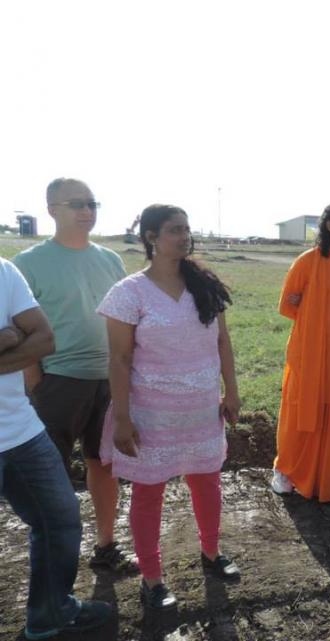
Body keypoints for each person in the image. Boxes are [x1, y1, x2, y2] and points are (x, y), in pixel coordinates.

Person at [98, 204, 241, 609]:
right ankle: (153, 579)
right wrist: (123, 419)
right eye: (175, 230)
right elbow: (120, 360)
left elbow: (223, 342)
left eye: (187, 229)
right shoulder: (128, 293)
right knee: (148, 493)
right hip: (151, 415)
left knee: (207, 483)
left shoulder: (205, 286)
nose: (184, 236)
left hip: (200, 411)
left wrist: (230, 391)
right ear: (151, 237)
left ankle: (211, 554)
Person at [13, 177, 136, 573]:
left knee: (104, 465)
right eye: (76, 204)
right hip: (59, 382)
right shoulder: (28, 263)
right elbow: (20, 328)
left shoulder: (110, 259)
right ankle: (56, 564)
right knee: (52, 474)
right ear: (52, 209)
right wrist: (35, 380)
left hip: (108, 380)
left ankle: (105, 546)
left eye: (92, 203)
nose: (87, 211)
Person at [1, 257, 112, 640]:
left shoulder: (3, 271)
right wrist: (11, 337)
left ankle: (50, 613)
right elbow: (25, 339)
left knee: (60, 521)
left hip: (21, 432)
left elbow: (44, 339)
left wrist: (16, 338)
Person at [271, 202, 330, 505]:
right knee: (301, 413)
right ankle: (284, 472)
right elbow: (288, 305)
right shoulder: (307, 262)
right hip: (309, 356)